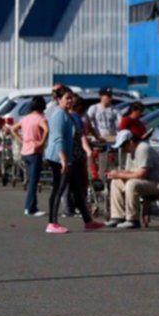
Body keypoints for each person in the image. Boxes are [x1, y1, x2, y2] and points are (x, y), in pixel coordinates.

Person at [44, 89, 104, 234]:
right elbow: (58, 138)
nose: (70, 101)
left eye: (71, 98)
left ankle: (88, 221)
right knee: (59, 189)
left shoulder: (67, 114)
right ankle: (52, 223)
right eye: (66, 98)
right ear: (59, 99)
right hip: (58, 158)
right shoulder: (59, 115)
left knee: (78, 189)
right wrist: (64, 160)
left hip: (69, 157)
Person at [105, 129, 159, 229]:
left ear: (131, 142)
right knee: (116, 182)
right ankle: (118, 216)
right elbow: (129, 171)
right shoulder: (130, 152)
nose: (122, 149)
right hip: (144, 181)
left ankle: (133, 219)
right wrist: (117, 174)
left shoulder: (143, 149)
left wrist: (120, 175)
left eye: (123, 145)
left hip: (156, 183)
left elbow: (142, 174)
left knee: (132, 184)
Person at [14, 96, 49, 217]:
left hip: (25, 151)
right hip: (35, 151)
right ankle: (30, 208)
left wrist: (20, 139)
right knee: (34, 181)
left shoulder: (25, 118)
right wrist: (42, 142)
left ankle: (31, 206)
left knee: (30, 180)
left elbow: (13, 129)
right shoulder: (40, 118)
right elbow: (46, 130)